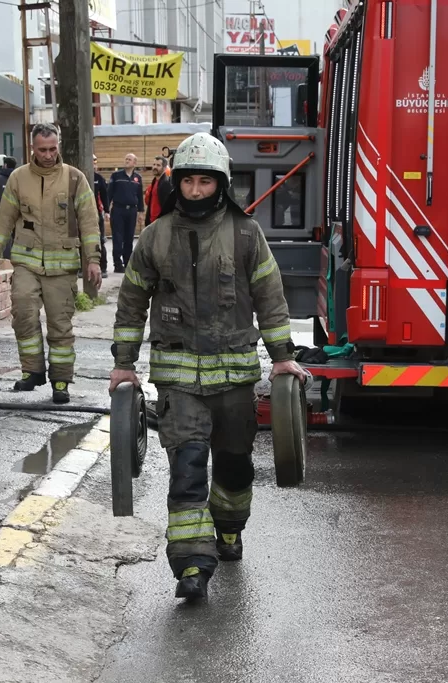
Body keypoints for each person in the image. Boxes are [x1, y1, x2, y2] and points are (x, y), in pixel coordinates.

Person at [108, 132, 308, 601]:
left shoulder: (245, 233)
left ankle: (230, 530)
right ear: (176, 183)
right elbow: (131, 303)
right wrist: (123, 365)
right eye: (189, 182)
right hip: (178, 384)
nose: (196, 191)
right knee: (188, 468)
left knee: (235, 469)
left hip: (235, 382)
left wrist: (283, 360)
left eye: (205, 182)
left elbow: (270, 299)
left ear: (222, 184)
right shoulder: (155, 237)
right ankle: (191, 565)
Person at [0, 123, 102, 404]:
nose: (48, 155)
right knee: (23, 312)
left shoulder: (75, 179)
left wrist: (93, 260)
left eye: (52, 149)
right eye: (42, 150)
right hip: (26, 262)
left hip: (62, 268)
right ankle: (32, 372)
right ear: (32, 149)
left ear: (58, 146)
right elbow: (4, 220)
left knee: (60, 324)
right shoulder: (18, 178)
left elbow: (89, 222)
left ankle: (60, 379)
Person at [107, 153, 143, 273]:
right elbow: (109, 194)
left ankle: (127, 262)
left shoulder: (138, 178)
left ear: (134, 163)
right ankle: (117, 264)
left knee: (129, 237)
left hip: (131, 211)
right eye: (126, 159)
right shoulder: (116, 176)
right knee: (117, 237)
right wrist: (107, 210)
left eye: (129, 159)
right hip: (118, 210)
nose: (127, 161)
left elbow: (139, 196)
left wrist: (141, 212)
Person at [93, 154, 111, 278]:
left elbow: (104, 196)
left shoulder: (99, 178)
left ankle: (103, 267)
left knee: (100, 241)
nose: (93, 165)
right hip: (82, 214)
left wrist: (107, 211)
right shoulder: (80, 177)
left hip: (97, 214)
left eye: (95, 162)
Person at [144, 155, 173, 227]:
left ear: (164, 167)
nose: (155, 167)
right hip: (152, 222)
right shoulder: (154, 182)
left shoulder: (166, 183)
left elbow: (167, 207)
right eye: (154, 165)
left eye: (158, 165)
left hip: (160, 223)